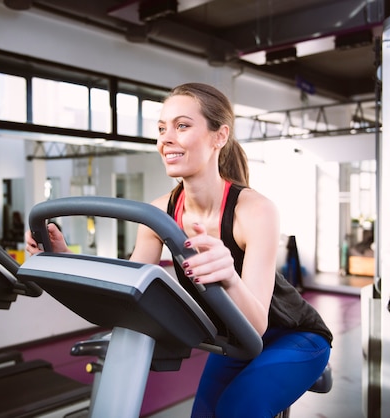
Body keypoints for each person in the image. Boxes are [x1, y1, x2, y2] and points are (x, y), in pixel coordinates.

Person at [27, 82, 332, 417]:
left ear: (219, 136)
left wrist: (229, 276)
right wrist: (65, 258)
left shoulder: (255, 210)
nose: (165, 139)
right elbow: (126, 286)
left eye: (182, 126)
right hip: (236, 341)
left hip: (293, 336)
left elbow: (257, 323)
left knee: (235, 409)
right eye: (161, 128)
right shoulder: (159, 212)